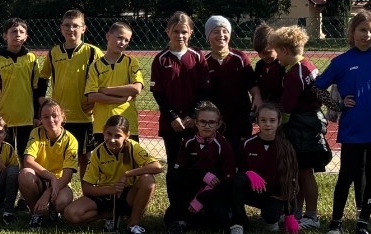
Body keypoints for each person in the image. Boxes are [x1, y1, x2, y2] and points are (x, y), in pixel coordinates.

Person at [314, 10, 371, 234]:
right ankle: (336, 223)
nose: (367, 35)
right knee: (346, 175)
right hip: (352, 130)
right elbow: (317, 87)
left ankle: (363, 224)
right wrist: (338, 105)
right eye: (362, 30)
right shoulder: (341, 62)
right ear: (352, 31)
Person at [270, 25, 330, 227]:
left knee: (304, 172)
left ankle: (311, 215)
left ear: (285, 50)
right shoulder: (307, 65)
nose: (277, 58)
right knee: (300, 172)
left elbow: (286, 107)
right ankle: (297, 212)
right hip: (309, 123)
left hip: (302, 127)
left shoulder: (296, 74)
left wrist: (278, 127)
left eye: (278, 53)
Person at [64, 114, 160, 234]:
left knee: (148, 180)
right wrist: (111, 189)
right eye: (109, 134)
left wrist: (127, 174)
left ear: (127, 136)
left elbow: (157, 167)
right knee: (70, 213)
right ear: (103, 131)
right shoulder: (97, 153)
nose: (112, 139)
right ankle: (112, 215)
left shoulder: (133, 147)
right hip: (107, 193)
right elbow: (87, 188)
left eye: (118, 136)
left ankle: (132, 224)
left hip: (129, 195)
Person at [164, 101, 236, 234]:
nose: (207, 126)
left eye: (212, 122)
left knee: (219, 220)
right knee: (172, 176)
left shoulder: (224, 145)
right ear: (196, 122)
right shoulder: (188, 142)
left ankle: (197, 218)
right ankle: (179, 220)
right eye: (203, 122)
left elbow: (228, 180)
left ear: (218, 124)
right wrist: (202, 175)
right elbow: (181, 172)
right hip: (192, 187)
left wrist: (202, 199)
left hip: (213, 192)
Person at [42, 10, 101, 167]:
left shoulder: (92, 52)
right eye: (67, 25)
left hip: (83, 115)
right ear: (61, 28)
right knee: (58, 155)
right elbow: (43, 77)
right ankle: (58, 184)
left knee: (84, 157)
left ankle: (85, 185)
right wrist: (41, 98)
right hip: (59, 115)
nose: (71, 29)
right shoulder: (54, 52)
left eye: (75, 25)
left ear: (84, 28)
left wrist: (95, 100)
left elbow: (104, 79)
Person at [151, 11, 207, 167]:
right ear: (168, 31)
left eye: (184, 32)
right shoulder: (161, 59)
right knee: (174, 163)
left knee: (196, 163)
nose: (180, 35)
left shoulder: (198, 56)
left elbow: (204, 89)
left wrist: (193, 115)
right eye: (176, 31)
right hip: (170, 123)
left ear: (191, 32)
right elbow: (158, 92)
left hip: (194, 122)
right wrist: (173, 117)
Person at [236, 103, 300, 234]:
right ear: (257, 121)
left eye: (272, 120)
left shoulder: (286, 147)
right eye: (263, 120)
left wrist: (290, 215)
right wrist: (247, 173)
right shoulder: (247, 143)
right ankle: (238, 222)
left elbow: (290, 182)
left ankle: (274, 217)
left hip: (273, 194)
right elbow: (237, 170)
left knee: (271, 216)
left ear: (279, 122)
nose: (268, 124)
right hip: (252, 191)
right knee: (238, 181)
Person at [0, 18, 42, 156]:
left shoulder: (31, 59)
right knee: (5, 155)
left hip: (27, 118)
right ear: (5, 36)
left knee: (26, 155)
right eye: (14, 31)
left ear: (26, 36)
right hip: (4, 118)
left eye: (21, 31)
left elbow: (37, 89)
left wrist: (37, 115)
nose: (18, 34)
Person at [84, 21, 143, 151]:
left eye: (126, 40)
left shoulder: (131, 62)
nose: (122, 42)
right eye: (119, 37)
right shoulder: (96, 65)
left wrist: (104, 90)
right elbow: (92, 96)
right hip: (102, 126)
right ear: (108, 36)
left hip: (127, 124)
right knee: (104, 161)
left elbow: (136, 88)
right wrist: (121, 99)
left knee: (128, 160)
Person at [200, 16, 255, 154]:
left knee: (240, 155)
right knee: (217, 154)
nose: (221, 35)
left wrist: (257, 99)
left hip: (240, 118)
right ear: (208, 36)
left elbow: (252, 85)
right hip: (216, 120)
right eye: (215, 31)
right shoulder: (204, 62)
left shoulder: (240, 58)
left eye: (225, 31)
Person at [19, 98, 78, 229]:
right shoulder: (36, 133)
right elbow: (28, 161)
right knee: (25, 174)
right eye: (46, 117)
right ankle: (36, 213)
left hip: (60, 183)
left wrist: (48, 192)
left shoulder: (71, 140)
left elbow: (67, 176)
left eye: (54, 116)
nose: (51, 120)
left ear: (62, 116)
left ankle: (52, 210)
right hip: (40, 179)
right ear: (40, 119)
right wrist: (51, 177)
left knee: (62, 202)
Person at [250, 22, 283, 114]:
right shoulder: (260, 65)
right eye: (259, 53)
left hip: (279, 108)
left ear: (277, 47)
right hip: (263, 107)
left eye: (267, 53)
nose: (262, 56)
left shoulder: (282, 66)